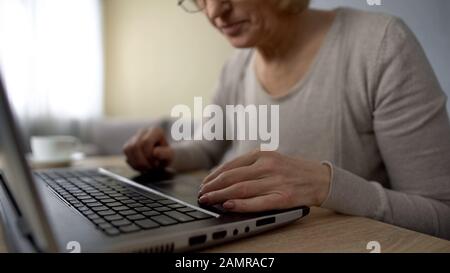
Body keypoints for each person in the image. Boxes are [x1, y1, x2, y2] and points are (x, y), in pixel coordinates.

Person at [123, 0, 450, 240]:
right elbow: (209, 148)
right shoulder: (237, 65)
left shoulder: (381, 45)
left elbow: (442, 215)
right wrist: (167, 156)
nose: (214, 11)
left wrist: (326, 185)